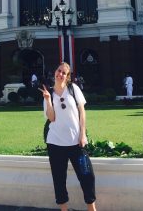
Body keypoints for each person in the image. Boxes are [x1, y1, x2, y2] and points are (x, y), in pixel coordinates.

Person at [39, 62, 97, 211]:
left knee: (87, 175)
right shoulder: (49, 93)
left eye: (64, 73)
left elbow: (82, 112)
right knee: (59, 179)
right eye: (59, 71)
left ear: (68, 76)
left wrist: (83, 134)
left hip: (76, 142)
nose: (61, 74)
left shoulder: (73, 89)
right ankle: (64, 209)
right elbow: (51, 118)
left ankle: (92, 208)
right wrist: (47, 100)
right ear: (55, 72)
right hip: (55, 143)